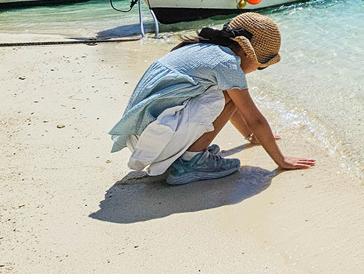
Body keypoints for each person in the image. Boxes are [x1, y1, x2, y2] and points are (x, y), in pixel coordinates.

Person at [108, 12, 315, 185]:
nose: (258, 70)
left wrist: (250, 136)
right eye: (261, 66)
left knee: (225, 94)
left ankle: (188, 151)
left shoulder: (202, 48)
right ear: (246, 51)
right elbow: (255, 118)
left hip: (144, 136)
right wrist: (281, 159)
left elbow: (234, 107)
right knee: (223, 95)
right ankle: (190, 161)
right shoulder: (227, 64)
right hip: (154, 139)